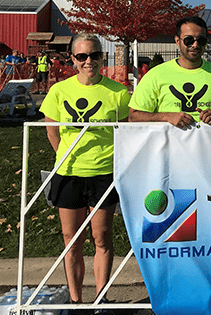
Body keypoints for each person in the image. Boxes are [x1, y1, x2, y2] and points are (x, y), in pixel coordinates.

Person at [39, 33, 130, 305]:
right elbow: (52, 132)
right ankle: (77, 302)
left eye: (94, 55)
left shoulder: (118, 92)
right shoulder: (59, 91)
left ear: (102, 57)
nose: (88, 61)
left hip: (104, 173)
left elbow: (125, 133)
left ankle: (101, 301)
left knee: (101, 237)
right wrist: (65, 158)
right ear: (72, 59)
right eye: (82, 56)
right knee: (72, 240)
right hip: (69, 174)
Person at [129, 16, 211, 127]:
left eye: (201, 40)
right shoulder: (156, 74)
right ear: (177, 41)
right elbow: (133, 117)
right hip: (169, 144)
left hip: (208, 144)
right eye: (189, 40)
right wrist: (166, 117)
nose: (195, 45)